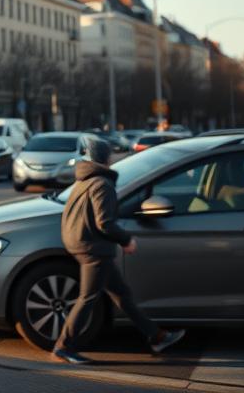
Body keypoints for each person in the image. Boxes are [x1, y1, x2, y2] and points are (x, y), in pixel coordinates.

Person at [53, 137, 185, 365]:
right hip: (93, 249)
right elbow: (105, 222)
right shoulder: (102, 184)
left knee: (121, 294)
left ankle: (156, 336)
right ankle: (64, 347)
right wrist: (126, 240)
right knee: (88, 297)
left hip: (84, 244)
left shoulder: (84, 180)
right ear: (106, 158)